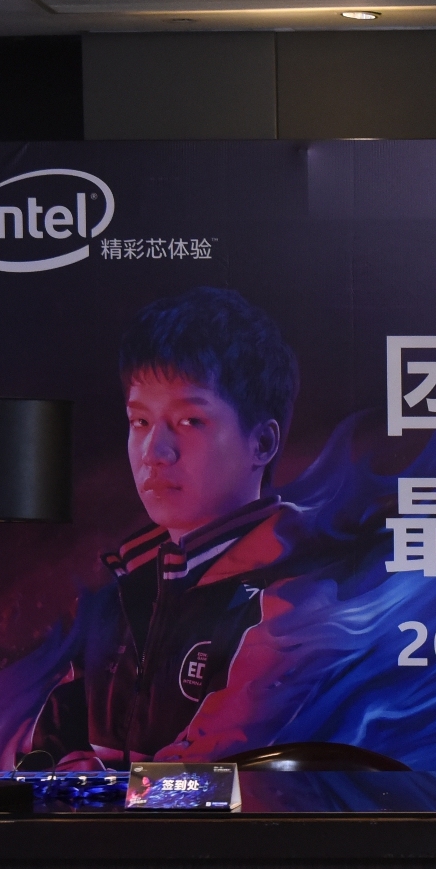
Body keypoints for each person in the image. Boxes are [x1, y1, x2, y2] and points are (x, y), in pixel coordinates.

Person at [26, 287, 306, 764]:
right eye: (139, 422)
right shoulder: (121, 589)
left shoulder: (296, 596)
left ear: (262, 443)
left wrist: (94, 792)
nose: (154, 452)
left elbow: (219, 772)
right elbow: (47, 755)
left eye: (190, 421)